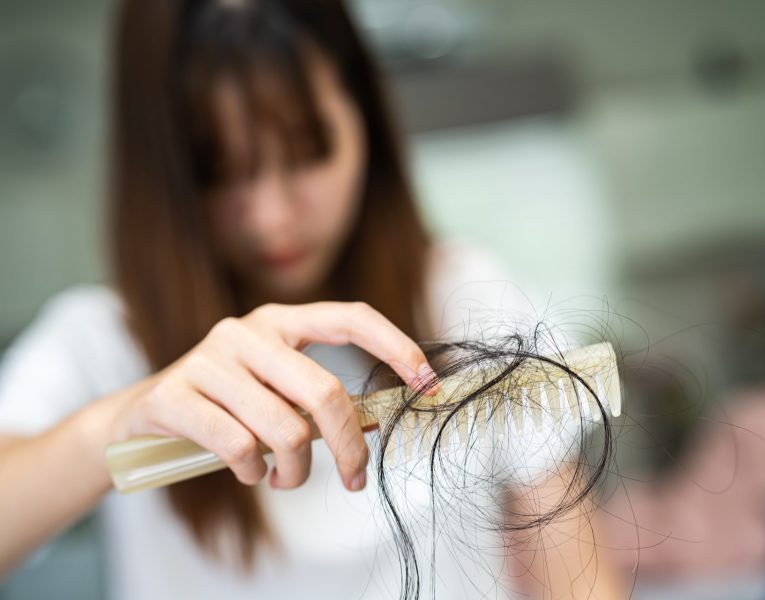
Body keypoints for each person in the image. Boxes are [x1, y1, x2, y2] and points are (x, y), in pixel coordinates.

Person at [0, 1, 619, 598]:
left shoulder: (464, 291)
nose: (272, 217)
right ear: (164, 174)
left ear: (365, 119)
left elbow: (577, 574)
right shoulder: (96, 342)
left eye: (307, 150)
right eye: (217, 168)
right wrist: (114, 425)